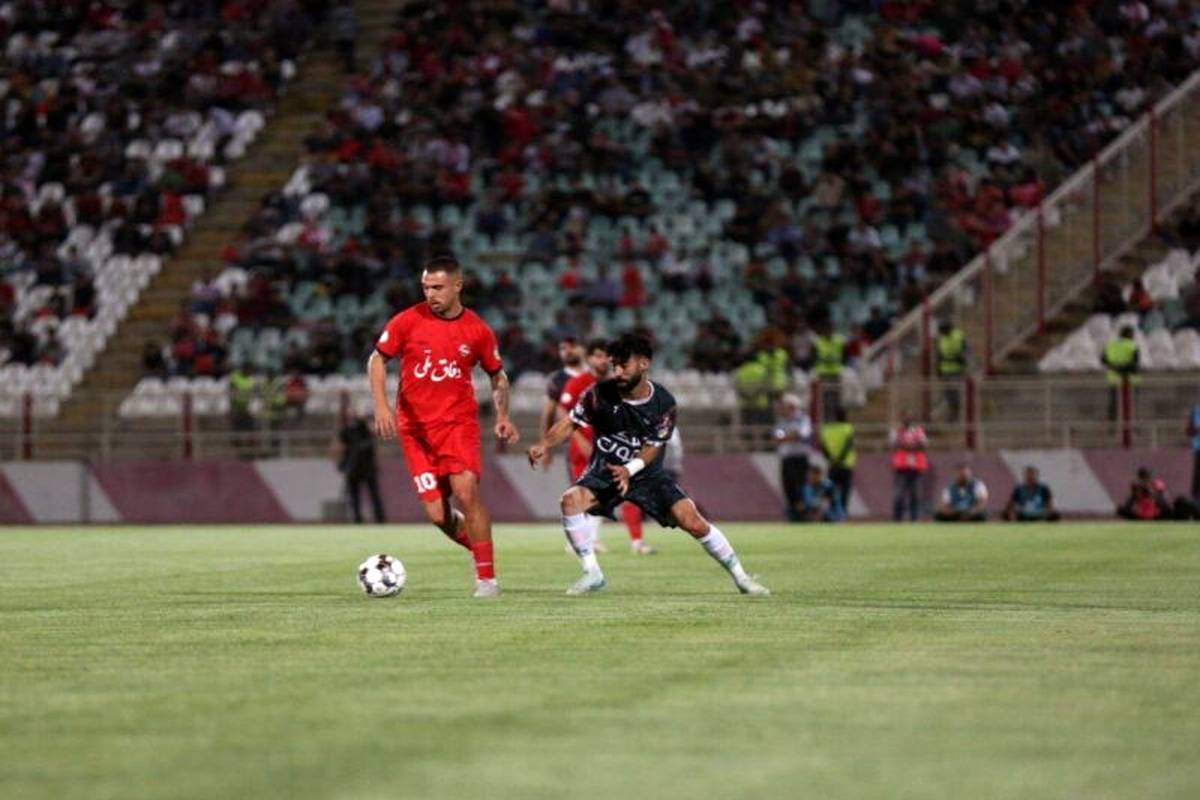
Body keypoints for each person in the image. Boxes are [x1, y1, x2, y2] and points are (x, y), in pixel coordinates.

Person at [527, 332, 769, 596]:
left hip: (647, 476)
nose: (618, 372)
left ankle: (741, 577)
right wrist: (544, 444)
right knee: (570, 501)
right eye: (615, 365)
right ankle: (592, 573)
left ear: (644, 364)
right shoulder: (599, 393)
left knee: (693, 522)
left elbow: (653, 447)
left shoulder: (663, 403)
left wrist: (629, 470)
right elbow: (570, 422)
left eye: (624, 365)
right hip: (606, 471)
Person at [369, 255, 519, 598]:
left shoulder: (477, 330)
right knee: (438, 515)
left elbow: (498, 376)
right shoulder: (408, 321)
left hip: (457, 426)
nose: (430, 294)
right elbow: (377, 358)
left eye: (437, 287)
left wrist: (503, 416)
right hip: (416, 433)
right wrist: (381, 405)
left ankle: (487, 579)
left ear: (457, 286)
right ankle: (480, 549)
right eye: (426, 287)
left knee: (466, 494)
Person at [559, 338, 654, 555]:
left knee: (629, 490)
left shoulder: (620, 384)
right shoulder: (577, 383)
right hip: (584, 451)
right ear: (589, 358)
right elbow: (564, 413)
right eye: (598, 356)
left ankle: (636, 540)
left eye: (607, 357)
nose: (603, 361)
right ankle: (582, 540)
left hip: (614, 448)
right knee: (586, 495)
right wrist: (579, 440)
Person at [538, 335, 585, 468]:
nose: (568, 351)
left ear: (583, 349)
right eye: (563, 348)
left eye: (572, 346)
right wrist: (545, 446)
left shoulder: (596, 374)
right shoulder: (557, 379)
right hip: (572, 440)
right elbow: (548, 414)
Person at [335, 416, 385, 524]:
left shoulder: (366, 427)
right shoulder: (346, 431)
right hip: (353, 467)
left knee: (373, 495)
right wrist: (341, 463)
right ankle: (358, 519)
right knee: (355, 496)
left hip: (367, 467)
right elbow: (340, 447)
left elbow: (377, 434)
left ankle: (379, 518)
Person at [773, 393, 813, 521]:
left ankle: (803, 514)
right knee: (788, 487)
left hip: (800, 458)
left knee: (800, 487)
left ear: (791, 406)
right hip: (786, 458)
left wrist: (786, 437)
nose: (782, 409)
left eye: (785, 406)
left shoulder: (803, 419)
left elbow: (802, 434)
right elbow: (777, 437)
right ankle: (793, 513)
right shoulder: (782, 421)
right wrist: (791, 436)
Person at [890, 415, 928, 521]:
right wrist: (910, 445)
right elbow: (895, 444)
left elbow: (924, 444)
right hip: (901, 467)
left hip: (916, 467)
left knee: (915, 494)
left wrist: (908, 446)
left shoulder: (919, 431)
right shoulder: (897, 431)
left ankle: (914, 518)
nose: (907, 420)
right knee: (899, 494)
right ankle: (897, 518)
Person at [819, 407, 856, 514]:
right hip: (846, 464)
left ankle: (832, 511)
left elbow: (823, 447)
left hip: (832, 465)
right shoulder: (848, 428)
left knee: (831, 488)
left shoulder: (826, 429)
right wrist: (840, 459)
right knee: (845, 490)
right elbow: (848, 445)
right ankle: (843, 512)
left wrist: (830, 458)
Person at [1102, 326, 1140, 420]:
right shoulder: (1132, 346)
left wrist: (1114, 367)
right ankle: (1128, 422)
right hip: (1128, 379)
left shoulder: (1110, 345)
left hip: (1114, 378)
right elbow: (1134, 364)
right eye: (1132, 334)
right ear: (1129, 334)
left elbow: (1103, 359)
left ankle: (1112, 421)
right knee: (1129, 403)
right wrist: (1122, 369)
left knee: (1114, 402)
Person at [935, 319, 968, 421]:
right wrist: (938, 369)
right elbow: (939, 354)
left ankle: (955, 411)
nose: (942, 333)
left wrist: (964, 360)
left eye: (943, 331)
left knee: (954, 390)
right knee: (948, 391)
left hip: (957, 368)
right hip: (945, 369)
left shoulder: (958, 336)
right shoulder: (940, 339)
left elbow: (966, 350)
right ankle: (952, 410)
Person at [812, 322, 846, 417]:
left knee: (836, 396)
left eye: (829, 330)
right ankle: (826, 416)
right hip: (823, 373)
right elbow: (814, 357)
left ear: (832, 330)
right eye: (826, 330)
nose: (828, 332)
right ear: (823, 331)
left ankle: (836, 416)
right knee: (823, 397)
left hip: (835, 373)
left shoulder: (839, 341)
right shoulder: (818, 342)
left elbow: (844, 355)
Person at [1188, 401, 1200, 503]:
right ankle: (1195, 497)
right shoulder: (1195, 411)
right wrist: (1196, 429)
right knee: (1198, 473)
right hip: (1198, 447)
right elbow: (1189, 431)